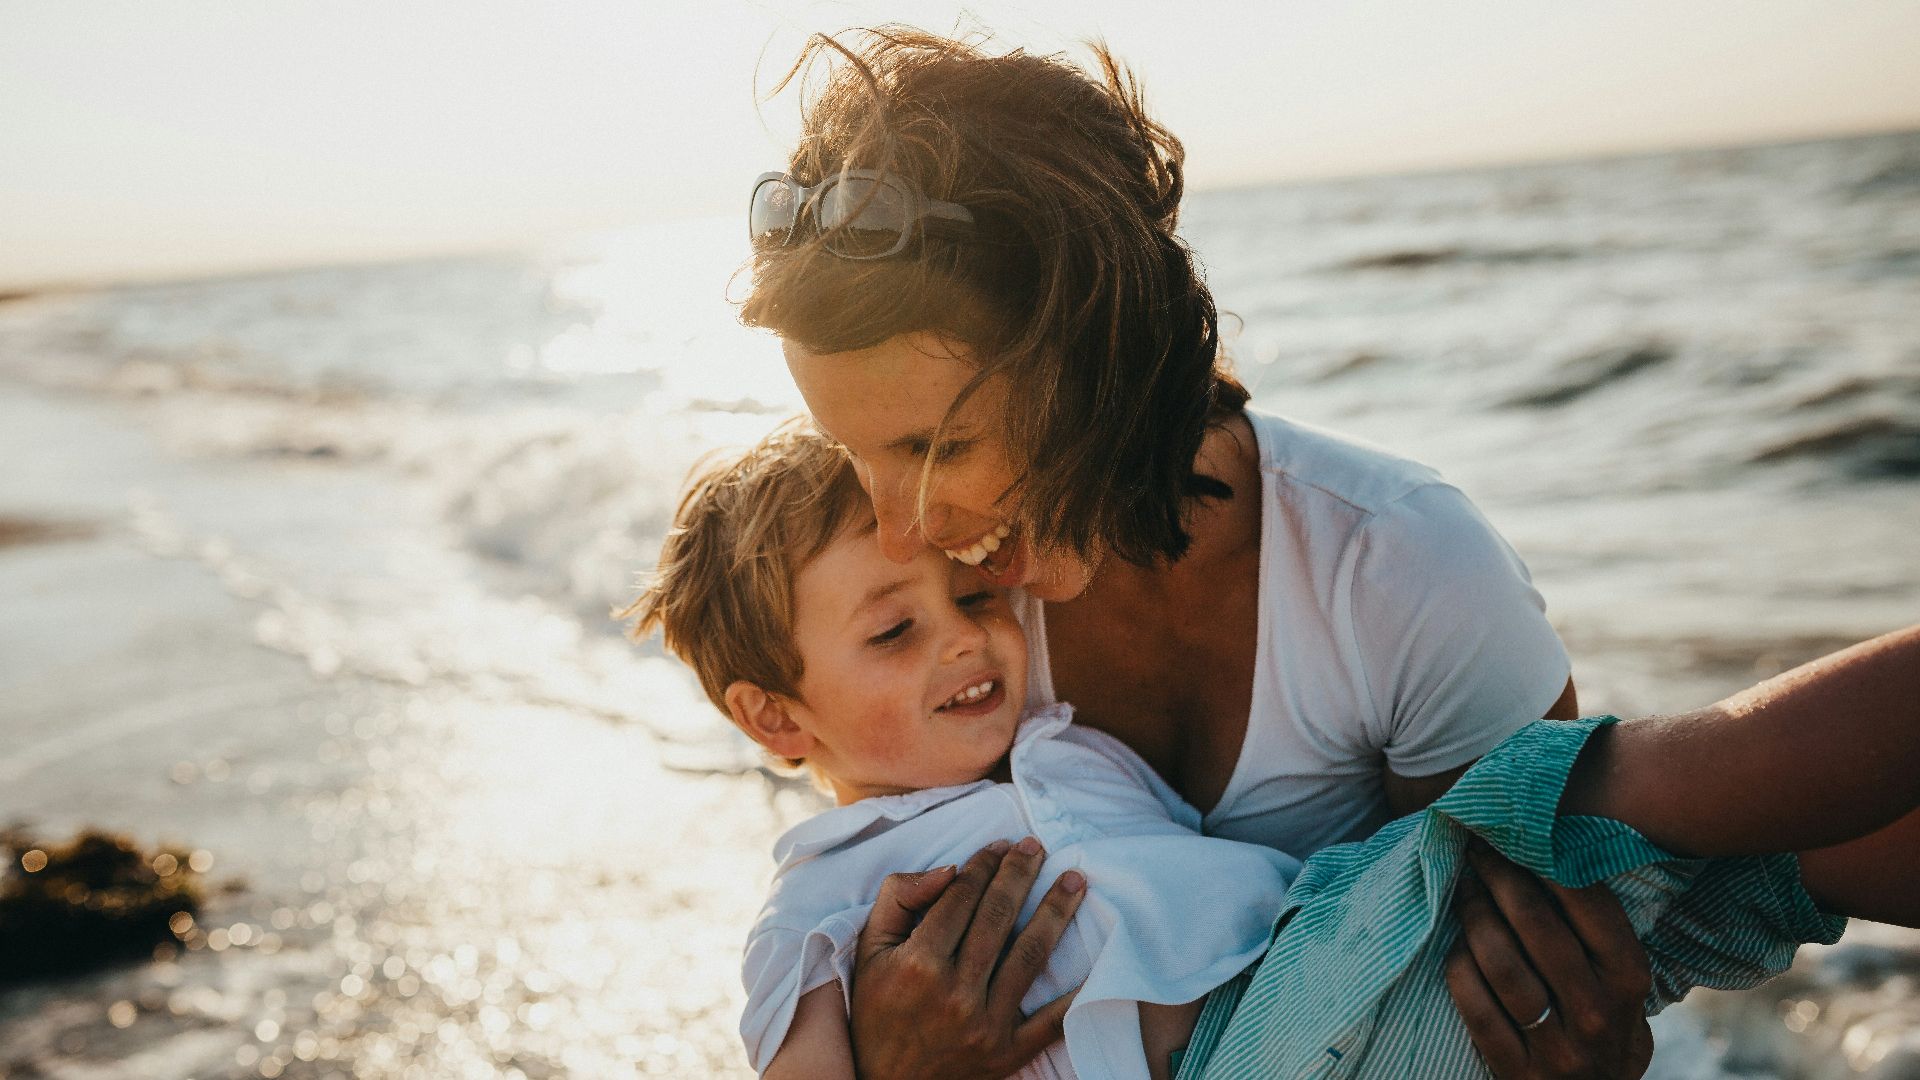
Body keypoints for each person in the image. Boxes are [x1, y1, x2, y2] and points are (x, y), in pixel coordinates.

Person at [740, 27, 1660, 1079]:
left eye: (934, 447)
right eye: (854, 453)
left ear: (1096, 361)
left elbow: (1556, 985)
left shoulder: (1398, 570)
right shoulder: (942, 622)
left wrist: (1579, 1036)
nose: (901, 529)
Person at [625, 422, 1920, 1079]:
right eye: (893, 632)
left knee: (1770, 869)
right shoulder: (822, 895)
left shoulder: (1064, 748)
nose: (966, 644)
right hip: (1259, 1046)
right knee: (1602, 800)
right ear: (776, 720)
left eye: (969, 600)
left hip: (1340, 990)